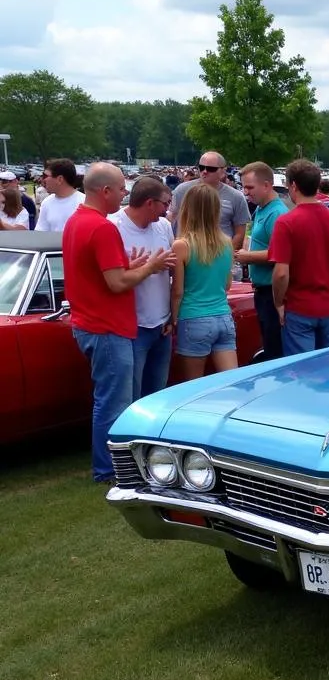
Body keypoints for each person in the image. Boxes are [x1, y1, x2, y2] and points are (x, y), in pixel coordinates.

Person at [63, 163, 175, 482]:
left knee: (110, 400)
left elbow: (102, 272)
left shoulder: (76, 220)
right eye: (122, 189)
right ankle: (110, 470)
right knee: (114, 404)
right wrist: (150, 267)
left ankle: (111, 466)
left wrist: (132, 264)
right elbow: (116, 283)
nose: (125, 195)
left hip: (90, 322)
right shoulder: (102, 227)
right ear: (106, 191)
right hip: (107, 326)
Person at [269, 159, 329, 355]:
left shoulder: (286, 222)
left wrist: (279, 303)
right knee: (326, 369)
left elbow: (281, 273)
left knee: (301, 372)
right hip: (327, 306)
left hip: (299, 307)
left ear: (293, 186)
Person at [109, 176, 175, 398]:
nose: (167, 210)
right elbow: (112, 279)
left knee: (157, 395)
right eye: (165, 204)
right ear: (149, 203)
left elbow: (172, 268)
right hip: (132, 327)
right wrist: (147, 267)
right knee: (131, 396)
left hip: (162, 325)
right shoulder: (113, 227)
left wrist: (172, 315)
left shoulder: (163, 227)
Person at [170, 183, 237, 380]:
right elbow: (227, 285)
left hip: (194, 317)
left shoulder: (181, 245)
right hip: (224, 317)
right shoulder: (226, 242)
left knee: (194, 387)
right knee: (230, 382)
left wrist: (173, 318)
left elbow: (178, 291)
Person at [236, 161, 288, 360]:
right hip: (262, 290)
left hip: (272, 292)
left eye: (250, 187)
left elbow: (282, 254)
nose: (246, 192)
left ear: (267, 185)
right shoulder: (261, 209)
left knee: (275, 350)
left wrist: (247, 256)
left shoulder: (277, 213)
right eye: (243, 187)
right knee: (268, 345)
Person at [168, 151, 249, 249]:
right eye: (201, 167)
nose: (205, 171)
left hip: (220, 254)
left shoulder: (236, 196)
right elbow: (172, 220)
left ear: (223, 171)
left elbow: (240, 232)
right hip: (187, 254)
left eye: (211, 169)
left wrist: (227, 256)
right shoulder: (182, 190)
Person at [36, 158, 84, 233]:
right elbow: (40, 233)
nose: (42, 180)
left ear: (60, 179)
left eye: (45, 176)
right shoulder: (46, 202)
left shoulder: (84, 203)